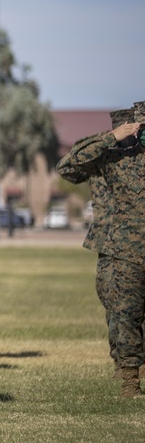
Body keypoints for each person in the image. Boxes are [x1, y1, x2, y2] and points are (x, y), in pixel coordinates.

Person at [58, 102, 145, 397]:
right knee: (122, 313)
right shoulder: (113, 158)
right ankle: (127, 374)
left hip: (121, 244)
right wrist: (111, 138)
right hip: (121, 246)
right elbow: (68, 166)